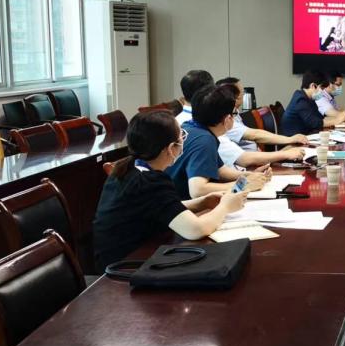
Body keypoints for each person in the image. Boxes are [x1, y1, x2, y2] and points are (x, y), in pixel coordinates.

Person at [92, 111, 247, 270]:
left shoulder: (128, 168)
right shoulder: (150, 182)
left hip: (115, 260)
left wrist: (201, 203)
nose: (183, 142)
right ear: (171, 148)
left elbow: (159, 208)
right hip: (127, 267)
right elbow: (196, 229)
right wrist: (226, 207)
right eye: (181, 138)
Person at [167, 83, 269, 199]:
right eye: (234, 113)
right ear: (228, 119)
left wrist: (248, 176)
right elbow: (198, 190)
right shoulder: (204, 140)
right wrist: (244, 185)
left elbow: (220, 171)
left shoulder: (191, 127)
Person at [214, 79, 309, 168]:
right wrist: (288, 147)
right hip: (252, 164)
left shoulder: (229, 118)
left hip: (255, 162)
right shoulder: (218, 136)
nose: (240, 95)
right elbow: (248, 150)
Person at [281, 70, 345, 136]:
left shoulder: (309, 99)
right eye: (321, 88)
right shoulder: (300, 99)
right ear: (313, 86)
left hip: (305, 135)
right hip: (294, 139)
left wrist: (339, 118)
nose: (323, 92)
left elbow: (320, 118)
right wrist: (337, 120)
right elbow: (315, 123)